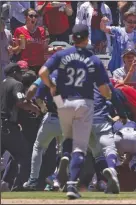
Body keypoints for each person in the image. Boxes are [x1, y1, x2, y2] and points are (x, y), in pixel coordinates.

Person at [38, 24, 112, 199]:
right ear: (87, 38)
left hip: (63, 103)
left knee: (68, 138)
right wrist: (108, 97)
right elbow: (104, 91)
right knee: (80, 147)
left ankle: (64, 156)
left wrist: (52, 86)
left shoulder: (61, 55)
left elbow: (42, 72)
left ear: (72, 37)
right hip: (83, 103)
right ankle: (71, 185)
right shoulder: (93, 59)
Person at [1, 63, 40, 191]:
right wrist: (34, 108)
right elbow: (21, 102)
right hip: (8, 128)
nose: (20, 76)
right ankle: (18, 187)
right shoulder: (16, 84)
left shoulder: (2, 84)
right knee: (24, 156)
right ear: (14, 72)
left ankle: (7, 184)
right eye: (19, 73)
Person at [88, 83, 127, 194]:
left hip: (83, 122)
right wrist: (122, 115)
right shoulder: (102, 81)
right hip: (100, 120)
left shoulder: (77, 80)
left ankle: (107, 181)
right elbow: (115, 99)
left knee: (97, 154)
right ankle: (112, 171)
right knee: (109, 149)